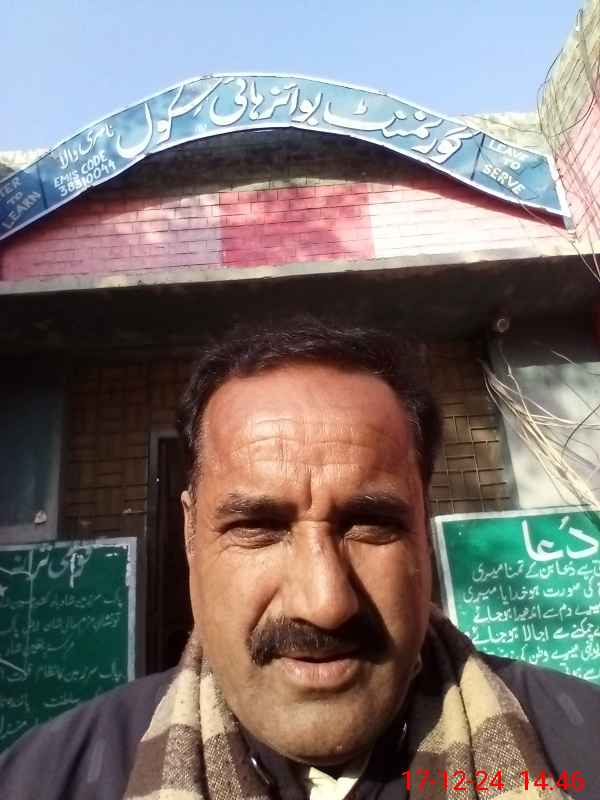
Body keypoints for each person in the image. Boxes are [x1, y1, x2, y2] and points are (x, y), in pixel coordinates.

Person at [1, 317, 599, 800]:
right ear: (190, 535)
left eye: (371, 524)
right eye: (258, 527)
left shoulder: (582, 745)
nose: (325, 603)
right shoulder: (44, 779)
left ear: (422, 527)